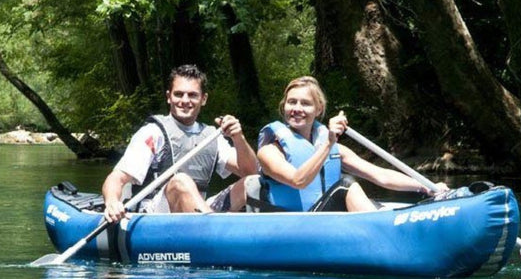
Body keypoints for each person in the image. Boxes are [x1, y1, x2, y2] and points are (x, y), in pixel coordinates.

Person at [256, 76, 448, 212]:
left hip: (326, 218)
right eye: (292, 102)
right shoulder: (270, 151)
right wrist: (329, 143)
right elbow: (298, 181)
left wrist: (424, 186)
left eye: (305, 103)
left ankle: (380, 221)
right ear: (284, 106)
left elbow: (380, 175)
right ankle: (381, 232)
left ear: (318, 109)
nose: (297, 109)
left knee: (354, 189)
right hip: (295, 224)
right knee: (347, 185)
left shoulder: (333, 148)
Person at [102, 64, 258, 222]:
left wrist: (238, 137)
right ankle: (214, 232)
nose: (185, 101)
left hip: (199, 212)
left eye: (192, 95)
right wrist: (112, 202)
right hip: (154, 215)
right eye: (178, 94)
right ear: (169, 97)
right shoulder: (153, 132)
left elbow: (251, 172)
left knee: (252, 183)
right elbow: (117, 178)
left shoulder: (212, 136)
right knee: (180, 181)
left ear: (203, 99)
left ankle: (237, 232)